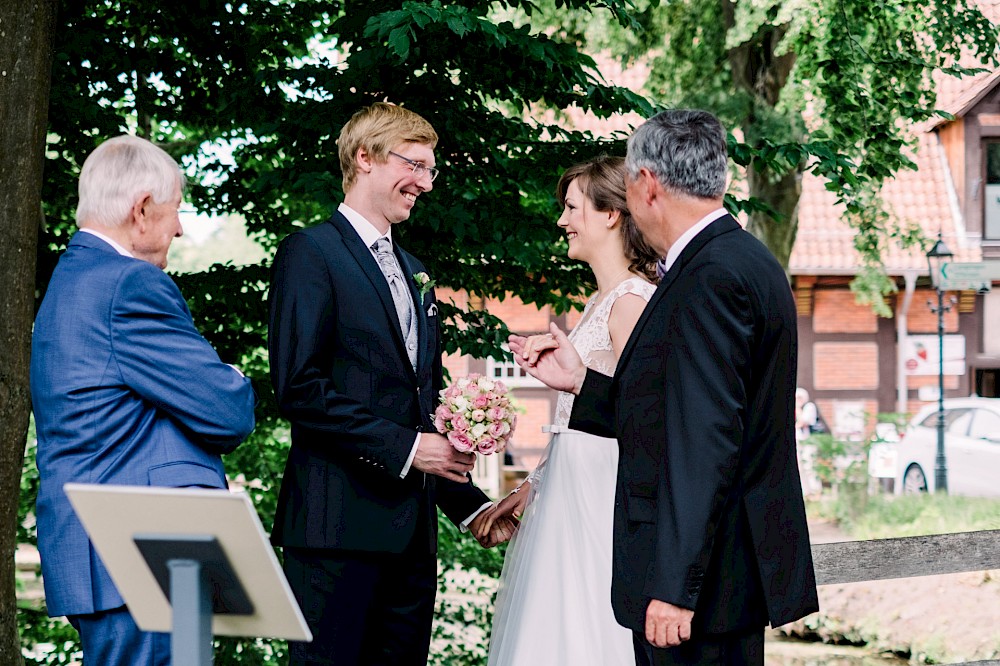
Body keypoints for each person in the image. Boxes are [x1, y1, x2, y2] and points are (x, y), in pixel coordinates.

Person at [510, 109, 819, 665]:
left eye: (627, 186)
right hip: (714, 578)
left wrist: (676, 587)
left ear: (647, 184)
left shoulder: (711, 276)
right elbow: (671, 412)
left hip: (701, 588)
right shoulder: (741, 260)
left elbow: (706, 441)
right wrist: (582, 381)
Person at [268, 102, 516, 666]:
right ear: (365, 158)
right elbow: (299, 388)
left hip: (410, 542)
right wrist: (408, 449)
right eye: (416, 165)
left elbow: (419, 406)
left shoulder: (415, 268)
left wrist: (472, 507)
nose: (425, 183)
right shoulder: (311, 252)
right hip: (334, 534)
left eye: (432, 170)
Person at [31, 135, 257, 666]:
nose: (180, 228)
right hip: (144, 552)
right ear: (141, 209)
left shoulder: (72, 281)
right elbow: (228, 411)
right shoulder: (127, 284)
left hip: (107, 553)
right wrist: (229, 374)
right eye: (176, 210)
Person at [482, 156, 660, 665]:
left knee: (589, 630)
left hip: (601, 497)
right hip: (566, 490)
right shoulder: (596, 303)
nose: (562, 220)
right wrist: (533, 486)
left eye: (571, 207)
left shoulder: (632, 302)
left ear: (610, 214)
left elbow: (643, 415)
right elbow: (575, 421)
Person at [795, 388, 822, 497]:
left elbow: (803, 422)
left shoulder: (809, 407)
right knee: (800, 466)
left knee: (809, 464)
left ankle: (815, 489)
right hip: (798, 441)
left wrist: (797, 408)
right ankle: (806, 492)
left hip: (808, 441)